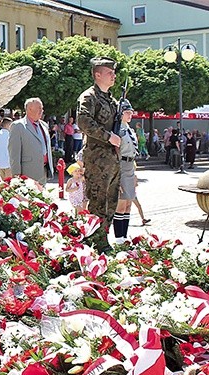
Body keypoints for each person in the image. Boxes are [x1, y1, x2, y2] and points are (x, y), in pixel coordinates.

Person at [77, 57, 120, 253]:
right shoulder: (89, 97)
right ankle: (95, 241)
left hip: (112, 157)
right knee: (97, 199)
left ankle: (104, 237)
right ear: (98, 75)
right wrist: (107, 136)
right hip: (96, 158)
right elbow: (84, 122)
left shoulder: (111, 100)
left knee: (111, 200)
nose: (114, 76)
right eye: (109, 72)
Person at [8, 97, 54, 185]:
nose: (42, 111)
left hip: (43, 172)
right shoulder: (18, 126)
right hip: (27, 173)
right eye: (39, 108)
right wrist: (16, 176)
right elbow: (14, 153)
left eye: (42, 108)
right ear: (29, 109)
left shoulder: (43, 125)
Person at [112, 100, 138, 244]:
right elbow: (114, 153)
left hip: (130, 167)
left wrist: (135, 173)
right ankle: (119, 239)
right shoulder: (118, 130)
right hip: (121, 166)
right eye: (127, 112)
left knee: (128, 204)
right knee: (121, 205)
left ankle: (124, 236)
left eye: (131, 112)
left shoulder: (129, 130)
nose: (130, 115)